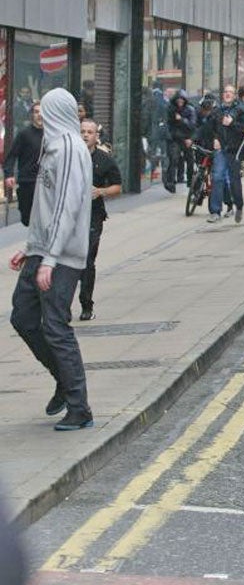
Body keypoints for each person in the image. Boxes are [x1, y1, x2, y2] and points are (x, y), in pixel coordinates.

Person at [9, 88, 94, 431]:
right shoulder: (54, 145)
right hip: (42, 252)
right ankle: (62, 377)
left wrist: (50, 258)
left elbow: (66, 207)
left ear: (60, 110)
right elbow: (44, 209)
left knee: (57, 327)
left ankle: (80, 408)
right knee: (23, 317)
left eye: (47, 108)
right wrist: (31, 248)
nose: (40, 114)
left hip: (61, 257)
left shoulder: (71, 149)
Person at [76, 120, 122, 322]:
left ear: (96, 136)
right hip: (71, 215)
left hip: (93, 215)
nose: (86, 135)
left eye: (89, 132)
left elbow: (117, 187)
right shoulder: (70, 157)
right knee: (67, 261)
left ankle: (86, 304)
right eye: (82, 132)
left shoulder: (104, 160)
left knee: (86, 260)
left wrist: (101, 191)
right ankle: (62, 306)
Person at [199, 85, 244, 224]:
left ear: (235, 95)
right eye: (225, 92)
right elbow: (210, 128)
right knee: (217, 176)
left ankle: (239, 206)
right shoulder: (217, 111)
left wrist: (232, 123)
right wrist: (214, 139)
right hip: (221, 149)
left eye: (230, 92)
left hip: (235, 150)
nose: (227, 94)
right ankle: (215, 211)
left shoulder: (241, 109)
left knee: (234, 181)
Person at [3, 102, 43, 227]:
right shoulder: (24, 134)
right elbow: (12, 155)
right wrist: (9, 174)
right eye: (36, 112)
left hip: (45, 182)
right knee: (27, 218)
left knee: (43, 217)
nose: (39, 115)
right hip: (27, 181)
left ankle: (38, 244)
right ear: (32, 115)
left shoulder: (51, 134)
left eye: (42, 112)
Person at [165, 90, 196, 192]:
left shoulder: (190, 110)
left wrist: (181, 119)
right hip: (176, 138)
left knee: (190, 161)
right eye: (178, 100)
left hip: (187, 138)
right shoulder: (171, 110)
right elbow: (168, 124)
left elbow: (192, 125)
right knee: (173, 159)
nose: (180, 102)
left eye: (182, 100)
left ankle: (191, 182)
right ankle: (170, 182)